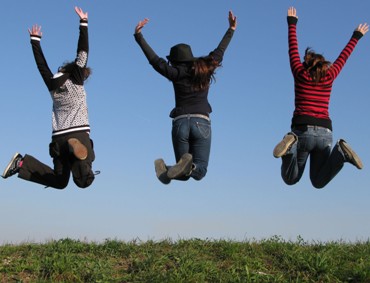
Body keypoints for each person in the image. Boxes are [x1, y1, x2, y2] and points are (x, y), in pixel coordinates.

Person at [134, 11, 237, 184]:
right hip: (201, 122)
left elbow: (155, 61)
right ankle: (178, 168)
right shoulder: (205, 69)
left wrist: (139, 36)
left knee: (182, 171)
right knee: (199, 170)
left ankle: (170, 170)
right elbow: (220, 51)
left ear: (174, 61)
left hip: (180, 122)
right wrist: (231, 29)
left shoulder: (175, 72)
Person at [273, 7, 368, 188]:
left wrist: (292, 24)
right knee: (317, 181)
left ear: (305, 63)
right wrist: (356, 36)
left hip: (302, 130)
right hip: (325, 133)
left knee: (291, 179)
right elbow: (343, 57)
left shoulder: (300, 73)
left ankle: (290, 146)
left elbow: (292, 49)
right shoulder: (330, 75)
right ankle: (340, 153)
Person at [2, 7, 96, 189]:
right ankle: (77, 155)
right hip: (77, 132)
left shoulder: (52, 84)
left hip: (59, 139)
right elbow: (82, 52)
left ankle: (21, 164)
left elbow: (42, 66)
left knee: (61, 182)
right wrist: (83, 24)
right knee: (84, 179)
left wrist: (35, 41)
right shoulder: (76, 79)